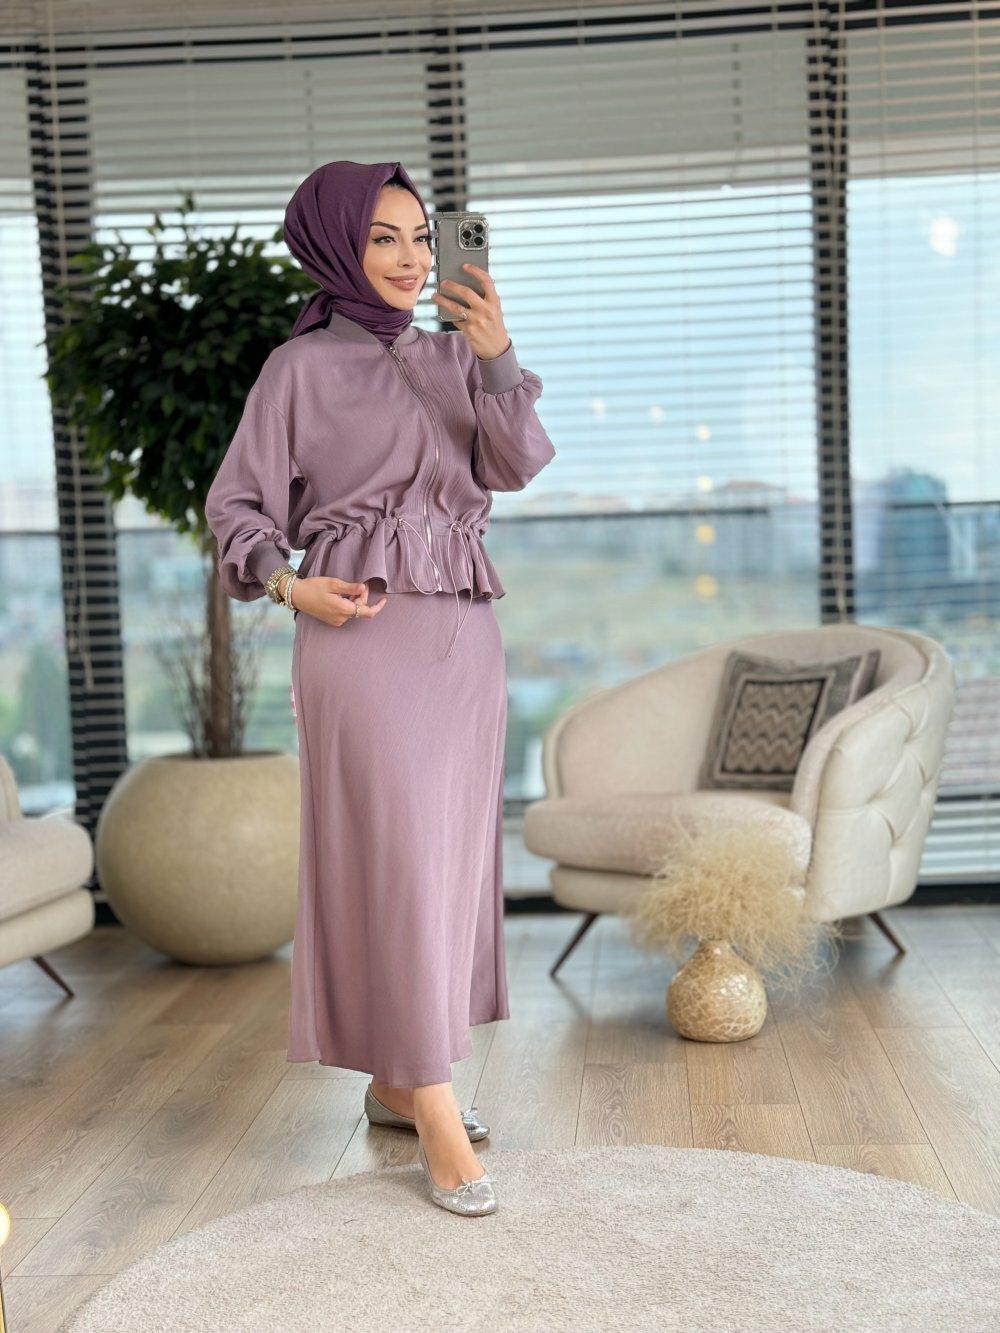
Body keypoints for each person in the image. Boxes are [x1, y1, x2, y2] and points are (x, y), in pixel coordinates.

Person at [204, 160, 556, 1216]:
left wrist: (495, 353)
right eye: (382, 239)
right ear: (334, 247)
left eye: (420, 238)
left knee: (443, 868)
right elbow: (237, 507)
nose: (409, 259)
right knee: (394, 859)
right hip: (358, 639)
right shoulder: (297, 370)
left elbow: (516, 463)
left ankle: (402, 1083)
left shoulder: (456, 356)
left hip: (465, 641)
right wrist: (289, 584)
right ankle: (435, 1107)